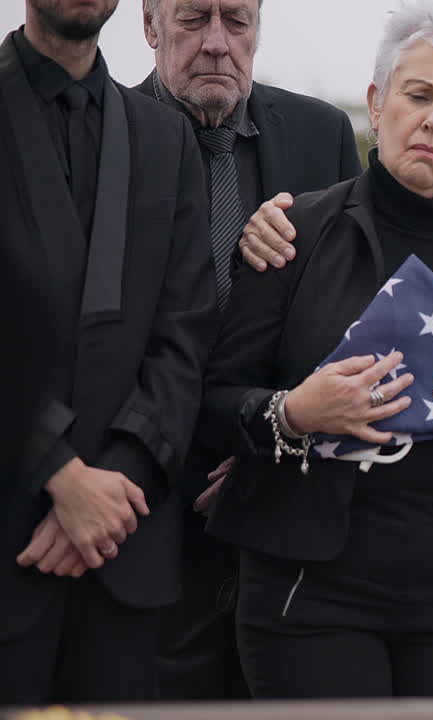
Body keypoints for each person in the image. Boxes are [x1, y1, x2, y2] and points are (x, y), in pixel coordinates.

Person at [197, 0, 433, 698]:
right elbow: (210, 403)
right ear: (377, 101)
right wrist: (292, 413)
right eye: (418, 95)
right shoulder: (295, 231)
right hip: (310, 600)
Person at [137, 0, 362, 699]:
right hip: (140, 507)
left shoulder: (323, 135)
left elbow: (347, 317)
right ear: (150, 26)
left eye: (235, 21)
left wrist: (260, 441)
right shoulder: (111, 132)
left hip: (281, 505)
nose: (215, 44)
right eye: (192, 19)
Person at [0, 0, 217, 703]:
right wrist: (56, 471)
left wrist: (114, 489)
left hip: (127, 556)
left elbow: (185, 335)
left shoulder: (167, 140)